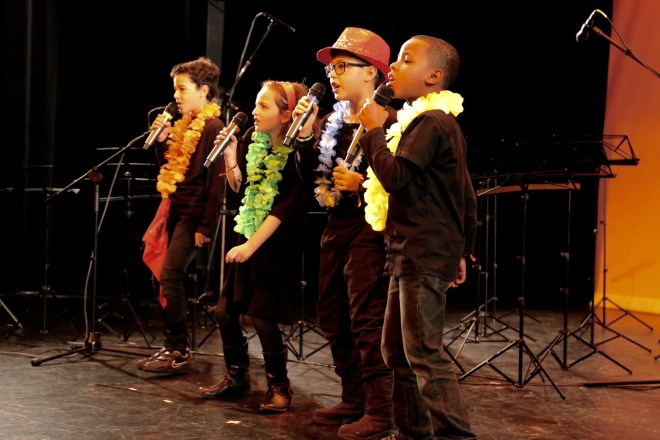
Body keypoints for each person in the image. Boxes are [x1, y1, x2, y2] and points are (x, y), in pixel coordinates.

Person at [357, 35, 479, 439]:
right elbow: (463, 194)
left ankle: (455, 436)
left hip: (422, 251)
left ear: (434, 76)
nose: (393, 66)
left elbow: (394, 178)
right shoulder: (426, 122)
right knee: (396, 350)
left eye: (406, 60)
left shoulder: (432, 122)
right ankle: (412, 432)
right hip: (411, 250)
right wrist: (462, 250)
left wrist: (374, 130)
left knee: (424, 352)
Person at [292, 27, 397, 439]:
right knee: (331, 313)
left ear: (371, 72)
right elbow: (312, 180)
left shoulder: (391, 122)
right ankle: (354, 399)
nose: (333, 76)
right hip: (336, 225)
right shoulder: (331, 122)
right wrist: (305, 137)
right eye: (330, 69)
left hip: (371, 227)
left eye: (342, 67)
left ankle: (382, 411)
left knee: (365, 317)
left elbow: (402, 181)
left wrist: (363, 184)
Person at [198, 80, 313, 414]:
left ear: (286, 114)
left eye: (264, 106)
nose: (255, 111)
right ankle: (237, 376)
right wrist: (230, 156)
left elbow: (285, 208)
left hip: (277, 241)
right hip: (249, 231)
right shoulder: (253, 138)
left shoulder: (299, 153)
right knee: (224, 311)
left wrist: (250, 247)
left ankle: (279, 386)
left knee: (263, 317)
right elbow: (241, 189)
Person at [139, 56, 225, 374]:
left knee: (170, 275)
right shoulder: (183, 124)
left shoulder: (214, 127)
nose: (176, 95)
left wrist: (206, 226)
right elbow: (173, 171)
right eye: (175, 89)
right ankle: (171, 345)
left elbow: (216, 184)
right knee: (161, 275)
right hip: (175, 210)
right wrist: (161, 142)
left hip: (193, 216)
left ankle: (178, 349)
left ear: (203, 91)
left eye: (182, 89)